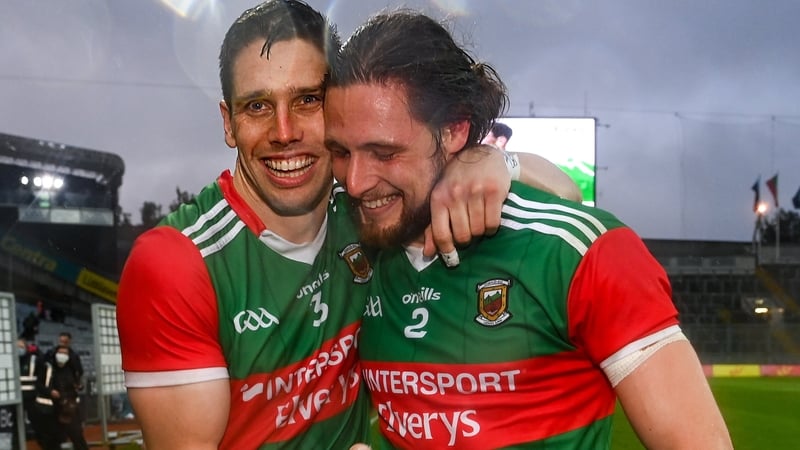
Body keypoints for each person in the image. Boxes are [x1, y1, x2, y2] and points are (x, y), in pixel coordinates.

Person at [116, 1, 579, 449]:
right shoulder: (178, 264)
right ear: (228, 122)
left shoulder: (366, 209)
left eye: (307, 100)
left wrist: (494, 161)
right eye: (257, 106)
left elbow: (568, 198)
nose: (284, 132)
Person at [324, 10, 733, 449]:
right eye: (341, 152)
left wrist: (508, 161)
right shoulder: (339, 234)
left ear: (455, 131)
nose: (356, 182)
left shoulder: (578, 253)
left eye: (384, 153)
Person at [35, 344, 89, 450]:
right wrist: (50, 392)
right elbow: (39, 384)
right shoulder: (47, 367)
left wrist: (78, 386)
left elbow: (78, 383)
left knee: (76, 435)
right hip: (51, 409)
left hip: (69, 407)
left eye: (65, 353)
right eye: (60, 353)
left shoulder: (72, 368)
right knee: (53, 438)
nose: (62, 355)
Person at [18, 338, 46, 446]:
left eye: (21, 346)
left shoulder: (34, 359)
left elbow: (43, 372)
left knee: (37, 424)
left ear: (26, 348)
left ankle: (45, 445)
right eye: (17, 347)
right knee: (16, 425)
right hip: (17, 400)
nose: (18, 349)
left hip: (32, 398)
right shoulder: (10, 360)